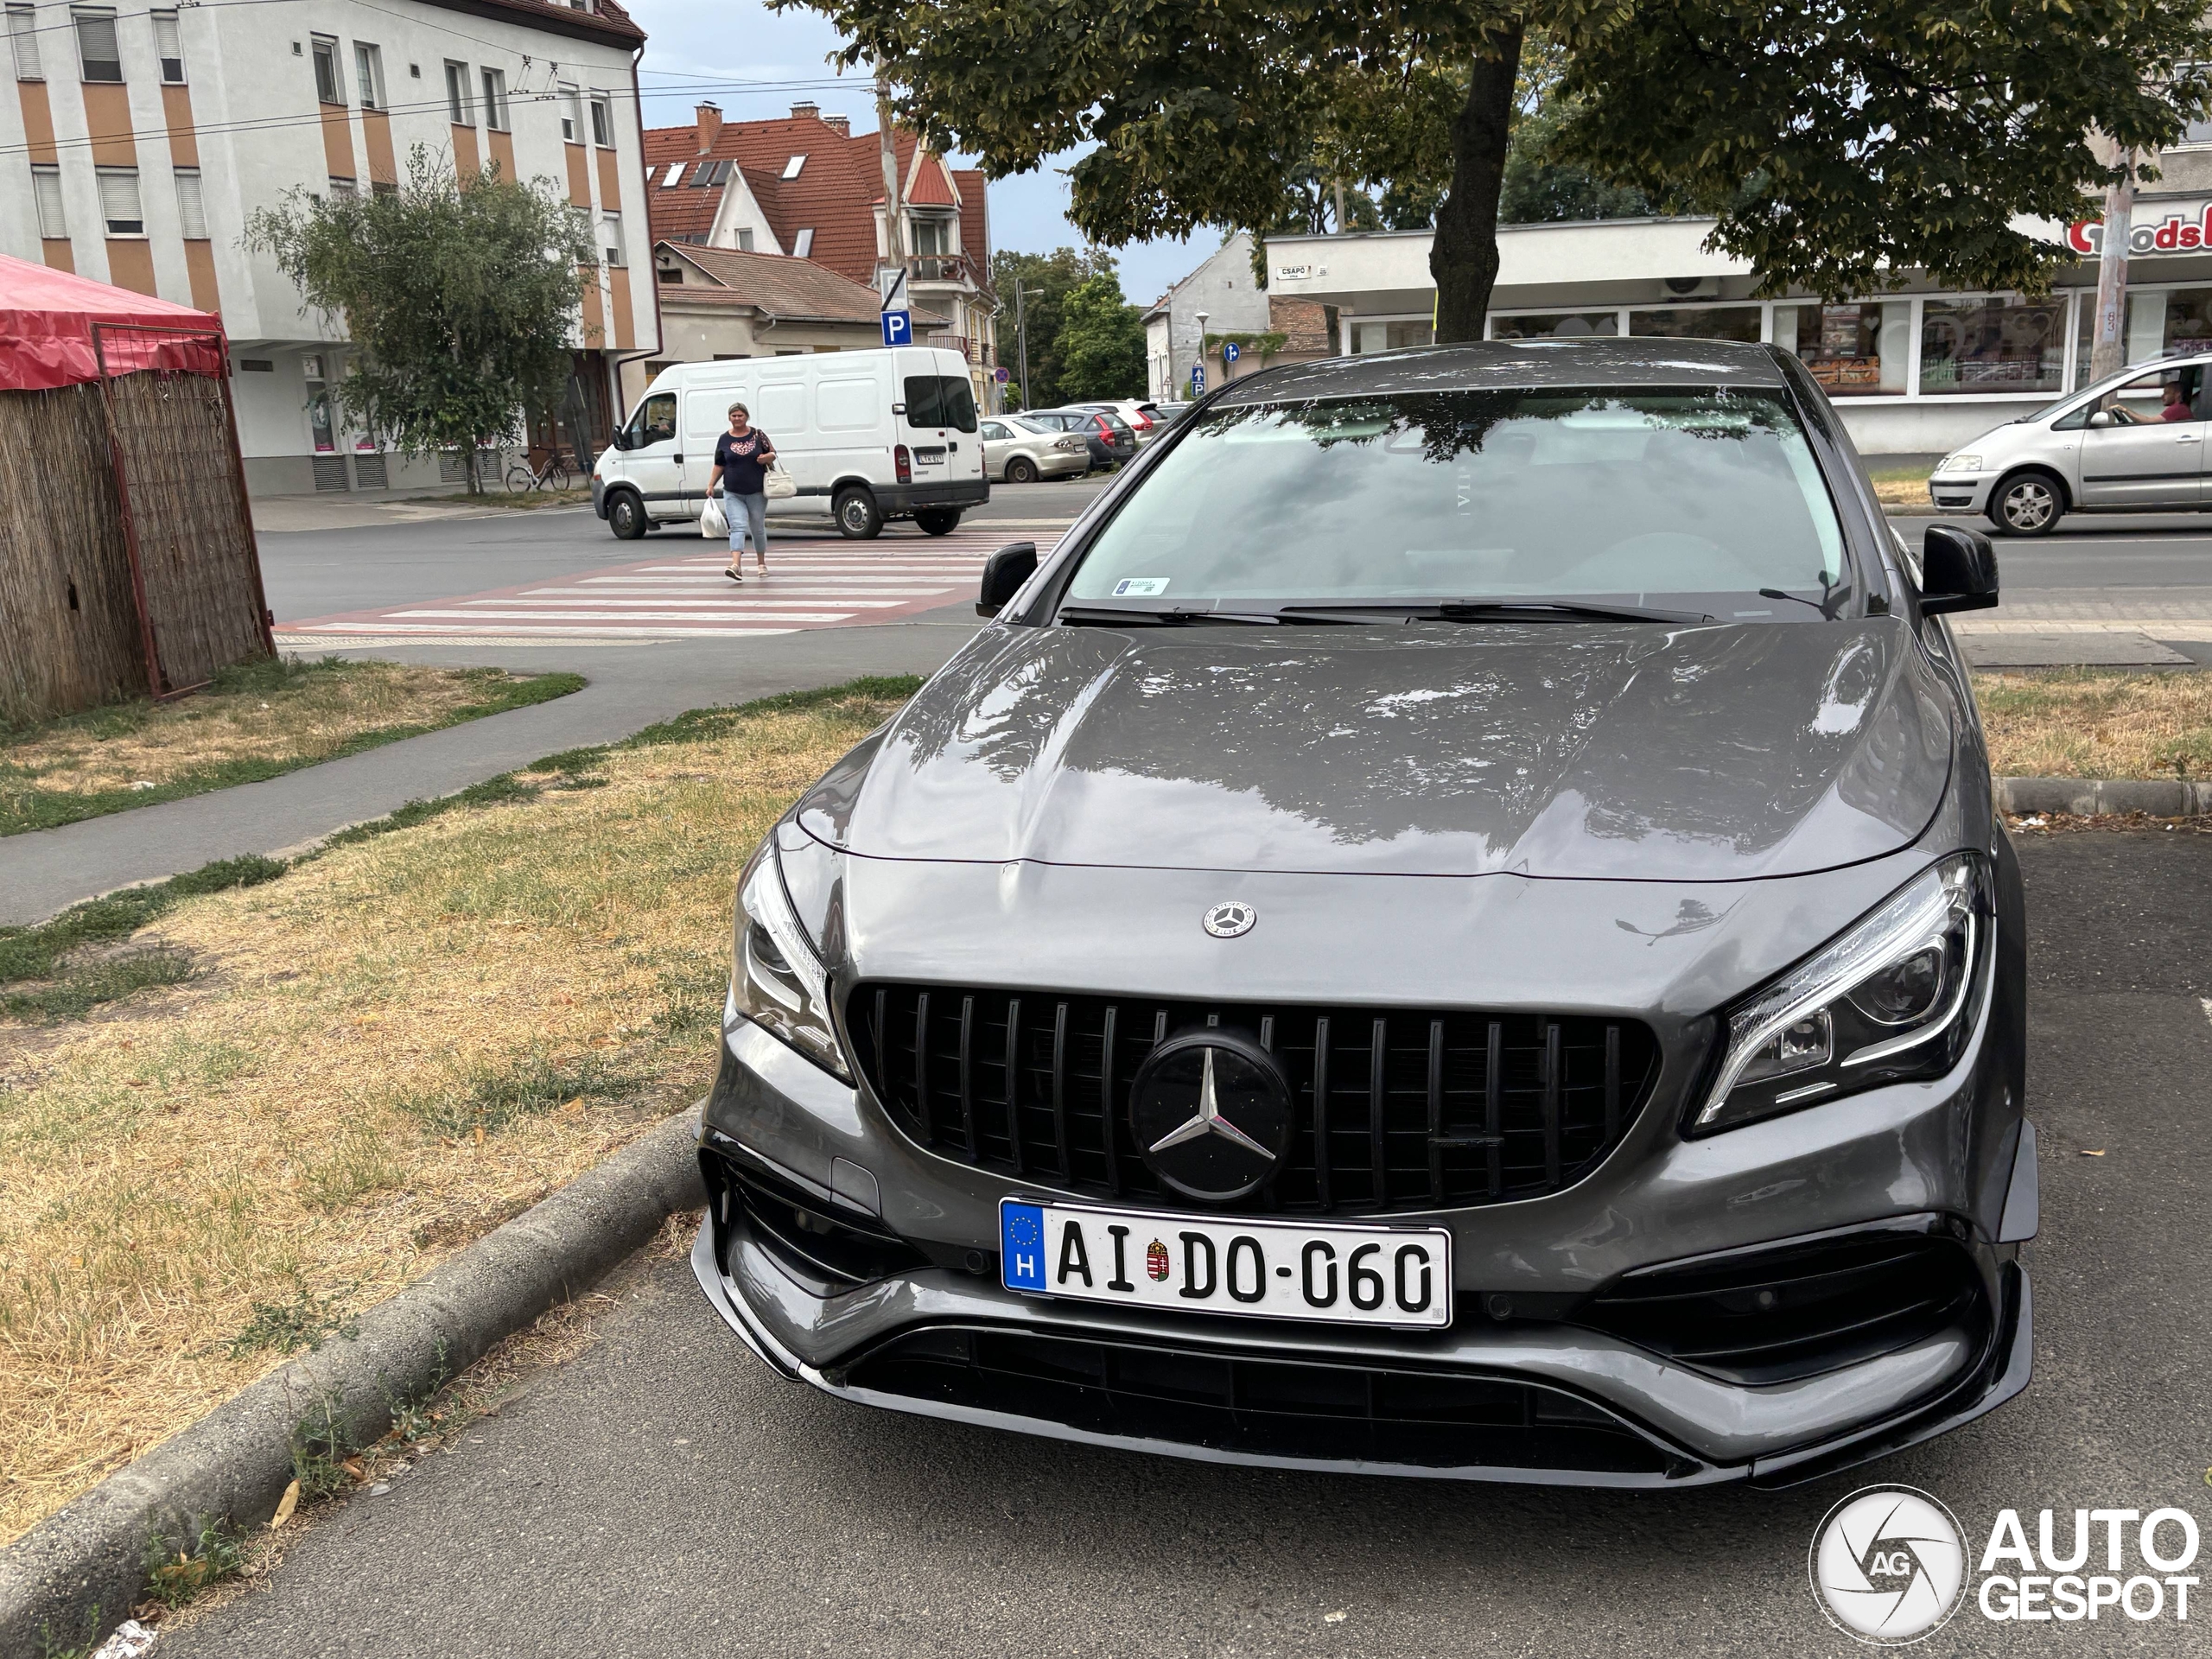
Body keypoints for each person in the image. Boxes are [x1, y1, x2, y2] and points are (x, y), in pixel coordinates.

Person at [707, 402, 776, 582]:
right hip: (732, 491)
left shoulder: (757, 435)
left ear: (746, 416)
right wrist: (711, 484)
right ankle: (736, 566)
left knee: (757, 528)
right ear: (729, 418)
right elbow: (719, 464)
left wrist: (765, 458)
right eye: (734, 416)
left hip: (756, 491)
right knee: (737, 526)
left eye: (740, 415)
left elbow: (773, 453)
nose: (737, 418)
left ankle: (761, 563)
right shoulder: (724, 439)